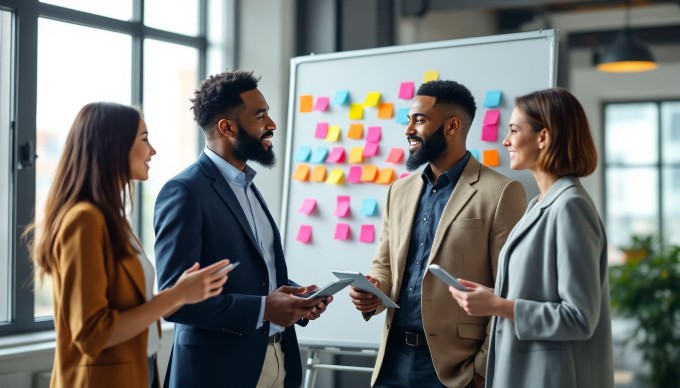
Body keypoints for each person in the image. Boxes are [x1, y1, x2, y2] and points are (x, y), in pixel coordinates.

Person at [25, 102, 230, 388]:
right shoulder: (84, 220)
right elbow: (91, 334)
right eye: (144, 139)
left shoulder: (113, 219)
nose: (153, 151)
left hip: (138, 371)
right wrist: (176, 296)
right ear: (114, 146)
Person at [154, 70, 330, 388]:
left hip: (278, 360)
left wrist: (295, 297)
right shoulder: (185, 191)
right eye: (260, 115)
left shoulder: (246, 185)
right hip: (218, 373)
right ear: (227, 127)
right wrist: (264, 308)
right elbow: (173, 301)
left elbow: (256, 276)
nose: (272, 124)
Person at [349, 80, 527, 388]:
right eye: (408, 120)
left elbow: (508, 288)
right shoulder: (399, 190)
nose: (408, 129)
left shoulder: (500, 192)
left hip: (455, 369)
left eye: (419, 120)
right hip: (392, 360)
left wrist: (482, 370)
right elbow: (385, 264)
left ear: (453, 125)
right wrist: (373, 291)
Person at [448, 87, 614, 388]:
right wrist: (492, 297)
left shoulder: (570, 207)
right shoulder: (538, 204)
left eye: (513, 130)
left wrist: (497, 306)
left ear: (543, 137)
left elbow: (579, 317)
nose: (505, 140)